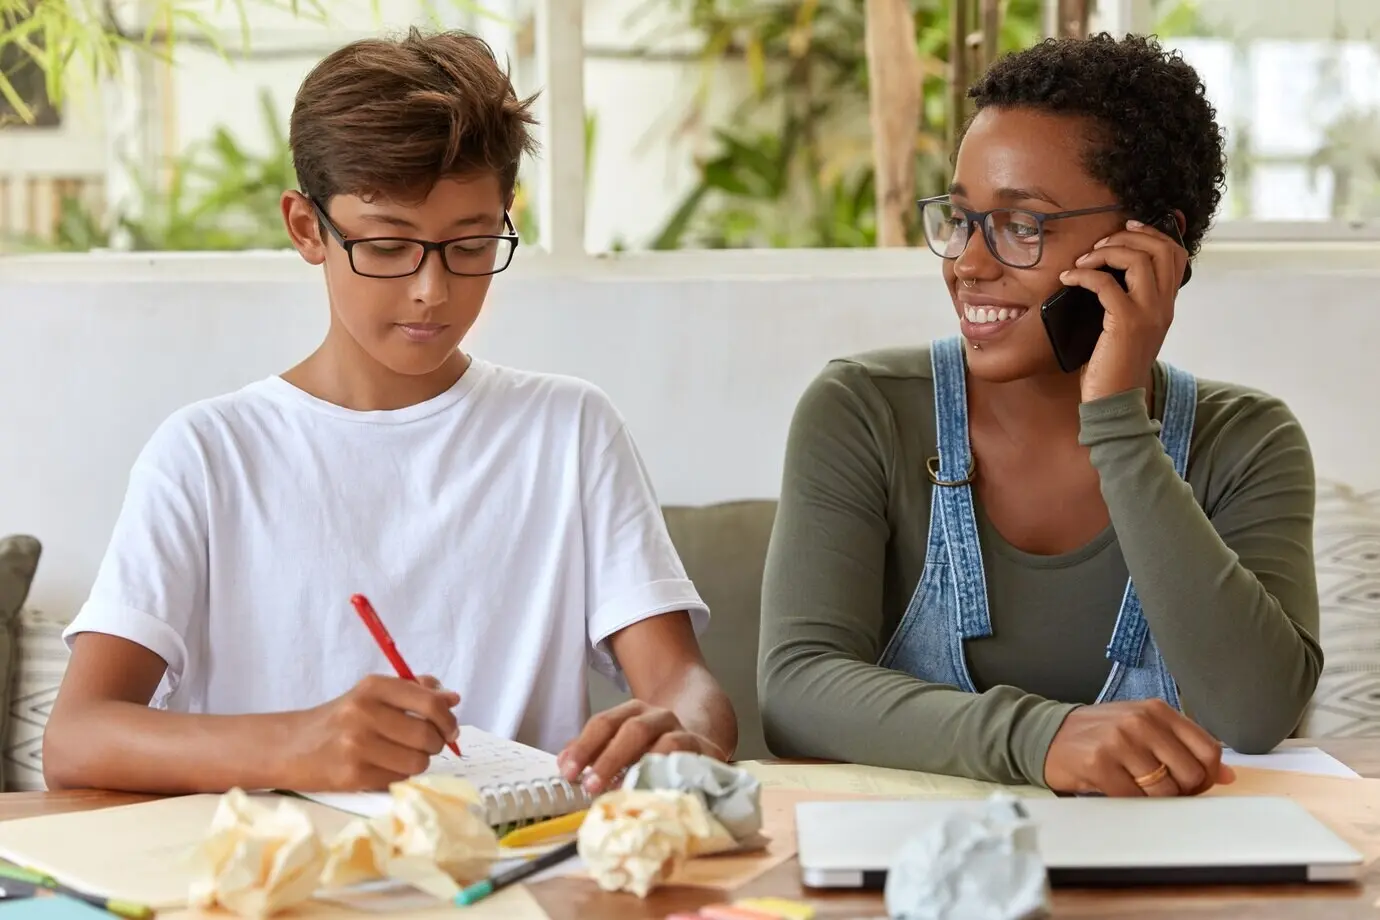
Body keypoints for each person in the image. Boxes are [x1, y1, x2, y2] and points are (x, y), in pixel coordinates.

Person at [44, 28, 736, 795]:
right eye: (386, 246)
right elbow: (77, 737)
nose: (431, 291)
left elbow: (683, 685)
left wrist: (682, 733)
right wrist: (296, 745)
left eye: (471, 245)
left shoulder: (567, 430)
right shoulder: (210, 454)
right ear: (308, 228)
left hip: (519, 885)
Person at [758, 34, 1321, 798]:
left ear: (1153, 245)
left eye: (1022, 225)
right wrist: (1041, 739)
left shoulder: (1248, 442)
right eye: (961, 219)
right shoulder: (863, 410)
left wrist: (1118, 420)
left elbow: (1255, 715)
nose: (968, 263)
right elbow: (796, 692)